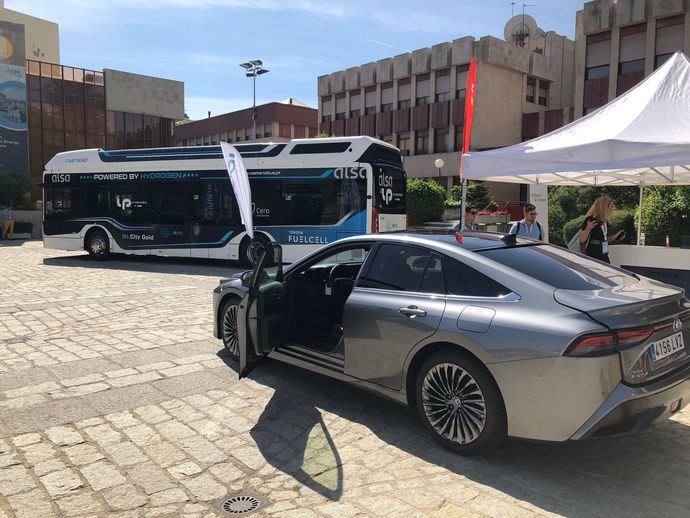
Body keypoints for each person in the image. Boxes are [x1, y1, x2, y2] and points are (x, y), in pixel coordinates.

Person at [579, 195, 625, 263]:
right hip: (593, 255)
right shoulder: (591, 220)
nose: (613, 208)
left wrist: (614, 237)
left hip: (604, 255)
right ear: (604, 207)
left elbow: (602, 238)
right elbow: (582, 240)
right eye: (611, 206)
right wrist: (588, 228)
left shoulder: (606, 221)